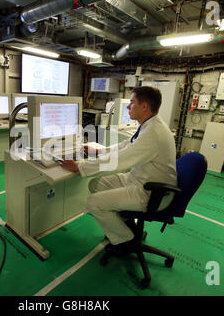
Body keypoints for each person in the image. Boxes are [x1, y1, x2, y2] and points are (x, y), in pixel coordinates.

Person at [61, 86, 177, 255]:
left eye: (131, 103)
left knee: (94, 202)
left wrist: (80, 166)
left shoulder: (154, 132)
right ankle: (126, 227)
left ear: (144, 107)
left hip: (152, 192)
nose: (128, 107)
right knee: (96, 184)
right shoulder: (149, 125)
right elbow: (125, 146)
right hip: (141, 180)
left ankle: (126, 240)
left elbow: (120, 160)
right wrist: (99, 151)